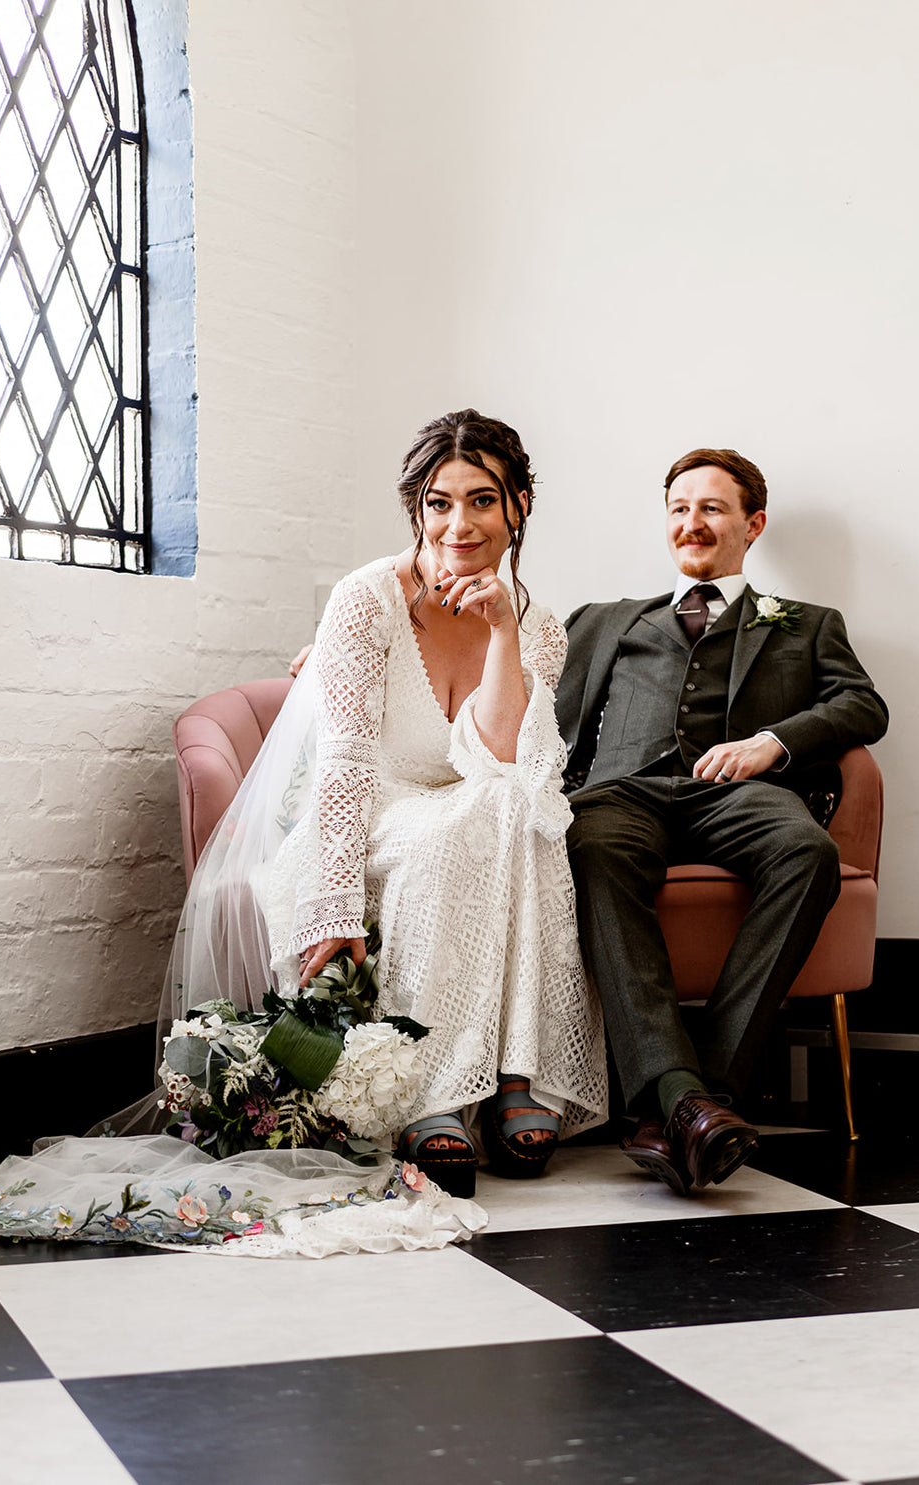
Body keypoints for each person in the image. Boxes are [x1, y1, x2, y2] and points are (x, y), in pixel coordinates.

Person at [263, 409, 607, 1196]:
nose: (461, 523)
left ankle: (521, 1071)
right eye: (439, 502)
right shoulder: (367, 600)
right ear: (416, 508)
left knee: (519, 811)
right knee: (476, 822)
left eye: (483, 500)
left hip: (476, 814)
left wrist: (501, 635)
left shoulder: (539, 626)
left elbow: (504, 761)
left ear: (519, 505)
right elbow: (344, 764)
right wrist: (333, 904)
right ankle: (434, 1092)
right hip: (377, 810)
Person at [556, 448, 887, 1196]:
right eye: (679, 507)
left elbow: (864, 705)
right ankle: (693, 1104)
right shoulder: (606, 621)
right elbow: (518, 691)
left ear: (752, 523)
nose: (691, 522)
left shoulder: (806, 623)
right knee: (594, 846)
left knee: (808, 852)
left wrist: (771, 743)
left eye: (710, 508)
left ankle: (686, 1092)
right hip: (625, 794)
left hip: (742, 796)